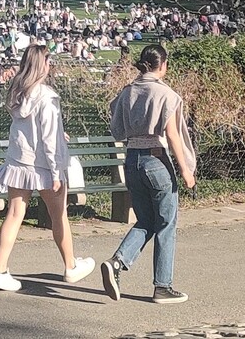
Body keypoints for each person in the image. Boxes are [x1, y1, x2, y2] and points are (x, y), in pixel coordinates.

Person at [0, 45, 95, 292]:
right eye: (49, 60)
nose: (51, 64)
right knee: (59, 215)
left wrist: (59, 134)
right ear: (43, 63)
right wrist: (57, 171)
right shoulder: (47, 97)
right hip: (44, 166)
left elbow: (33, 129)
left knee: (14, 215)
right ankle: (70, 266)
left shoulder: (18, 93)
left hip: (19, 161)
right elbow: (47, 138)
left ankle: (0, 269)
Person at [98, 42, 194, 305]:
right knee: (166, 224)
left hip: (131, 160)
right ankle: (162, 286)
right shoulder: (166, 94)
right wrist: (185, 169)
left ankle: (117, 262)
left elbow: (116, 126)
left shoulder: (127, 92)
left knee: (145, 221)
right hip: (156, 160)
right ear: (162, 65)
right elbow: (172, 134)